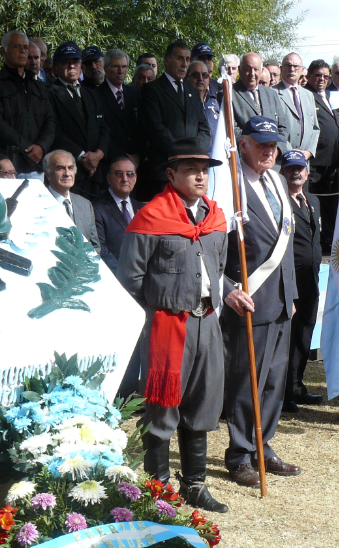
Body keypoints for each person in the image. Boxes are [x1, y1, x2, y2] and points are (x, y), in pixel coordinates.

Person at [116, 136, 230, 513]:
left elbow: (219, 269)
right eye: (191, 169)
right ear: (171, 173)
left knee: (202, 405)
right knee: (163, 409)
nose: (201, 176)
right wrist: (159, 310)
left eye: (205, 170)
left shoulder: (215, 218)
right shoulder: (150, 217)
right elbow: (131, 278)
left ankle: (194, 485)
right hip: (167, 326)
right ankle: (158, 488)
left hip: (207, 323)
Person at [221, 116, 301, 488]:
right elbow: (214, 250)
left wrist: (293, 293)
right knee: (246, 380)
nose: (269, 150)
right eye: (261, 143)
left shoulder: (278, 182)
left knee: (273, 380)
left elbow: (287, 248)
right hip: (249, 298)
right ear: (244, 143)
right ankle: (239, 454)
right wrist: (227, 289)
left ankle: (262, 444)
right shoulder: (231, 187)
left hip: (281, 298)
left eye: (273, 144)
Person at [278, 151, 322, 414]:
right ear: (282, 172)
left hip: (312, 280)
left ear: (307, 172)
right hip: (290, 282)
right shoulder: (280, 202)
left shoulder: (313, 200)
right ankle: (282, 392)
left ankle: (296, 385)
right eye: (290, 168)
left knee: (304, 334)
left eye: (300, 168)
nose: (296, 172)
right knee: (287, 338)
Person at [139, 41, 211, 200]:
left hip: (192, 172)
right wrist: (182, 154)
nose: (184, 64)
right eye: (179, 58)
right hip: (164, 172)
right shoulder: (153, 89)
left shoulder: (192, 91)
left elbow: (204, 128)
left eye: (187, 59)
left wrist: (196, 153)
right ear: (166, 60)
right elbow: (155, 128)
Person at [0, 30, 55, 179]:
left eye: (25, 48)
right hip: (6, 166)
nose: (22, 51)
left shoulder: (38, 86)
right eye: (16, 47)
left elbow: (50, 120)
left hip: (36, 165)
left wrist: (41, 146)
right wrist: (27, 148)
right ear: (3, 51)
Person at [48, 42, 110, 198]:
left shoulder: (91, 94)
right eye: (65, 63)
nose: (71, 66)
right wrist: (82, 156)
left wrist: (99, 154)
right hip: (68, 172)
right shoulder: (48, 93)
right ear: (55, 68)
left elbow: (103, 127)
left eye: (75, 62)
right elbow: (53, 130)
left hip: (95, 172)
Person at [304, 60, 339, 255]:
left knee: (330, 208)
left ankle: (328, 242)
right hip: (315, 166)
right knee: (314, 207)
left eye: (326, 76)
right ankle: (315, 243)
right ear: (309, 75)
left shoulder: (330, 97)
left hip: (333, 167)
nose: (322, 79)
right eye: (318, 75)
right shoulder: (305, 96)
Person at [231, 53, 290, 156]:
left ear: (262, 70)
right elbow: (231, 129)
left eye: (256, 69)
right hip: (245, 160)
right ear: (240, 70)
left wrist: (276, 150)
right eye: (247, 69)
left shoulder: (271, 94)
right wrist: (256, 149)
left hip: (272, 159)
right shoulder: (228, 94)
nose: (252, 73)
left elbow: (283, 126)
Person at [43, 149, 101, 253]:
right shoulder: (38, 202)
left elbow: (94, 247)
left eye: (70, 168)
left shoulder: (85, 204)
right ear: (48, 174)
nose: (67, 173)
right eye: (60, 168)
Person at [93, 156, 144, 273]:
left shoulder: (143, 208)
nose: (125, 179)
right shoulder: (96, 207)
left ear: (135, 178)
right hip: (116, 277)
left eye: (130, 174)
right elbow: (101, 250)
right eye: (119, 174)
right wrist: (124, 275)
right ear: (109, 178)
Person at [99, 49, 143, 166]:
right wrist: (122, 156)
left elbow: (141, 126)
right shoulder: (95, 95)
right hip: (111, 160)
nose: (120, 71)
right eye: (116, 66)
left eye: (124, 67)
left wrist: (139, 156)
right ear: (105, 68)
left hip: (137, 160)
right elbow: (99, 131)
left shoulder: (134, 93)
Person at [275, 53, 320, 163]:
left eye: (296, 66)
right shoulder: (272, 93)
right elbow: (273, 128)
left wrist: (310, 151)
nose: (292, 69)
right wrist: (290, 151)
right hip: (281, 161)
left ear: (302, 70)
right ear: (281, 69)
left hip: (304, 163)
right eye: (288, 65)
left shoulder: (309, 95)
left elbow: (315, 128)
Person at [187, 61, 220, 154]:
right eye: (196, 75)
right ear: (187, 77)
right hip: (193, 156)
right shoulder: (181, 102)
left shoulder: (217, 100)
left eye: (205, 75)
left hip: (217, 158)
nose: (200, 79)